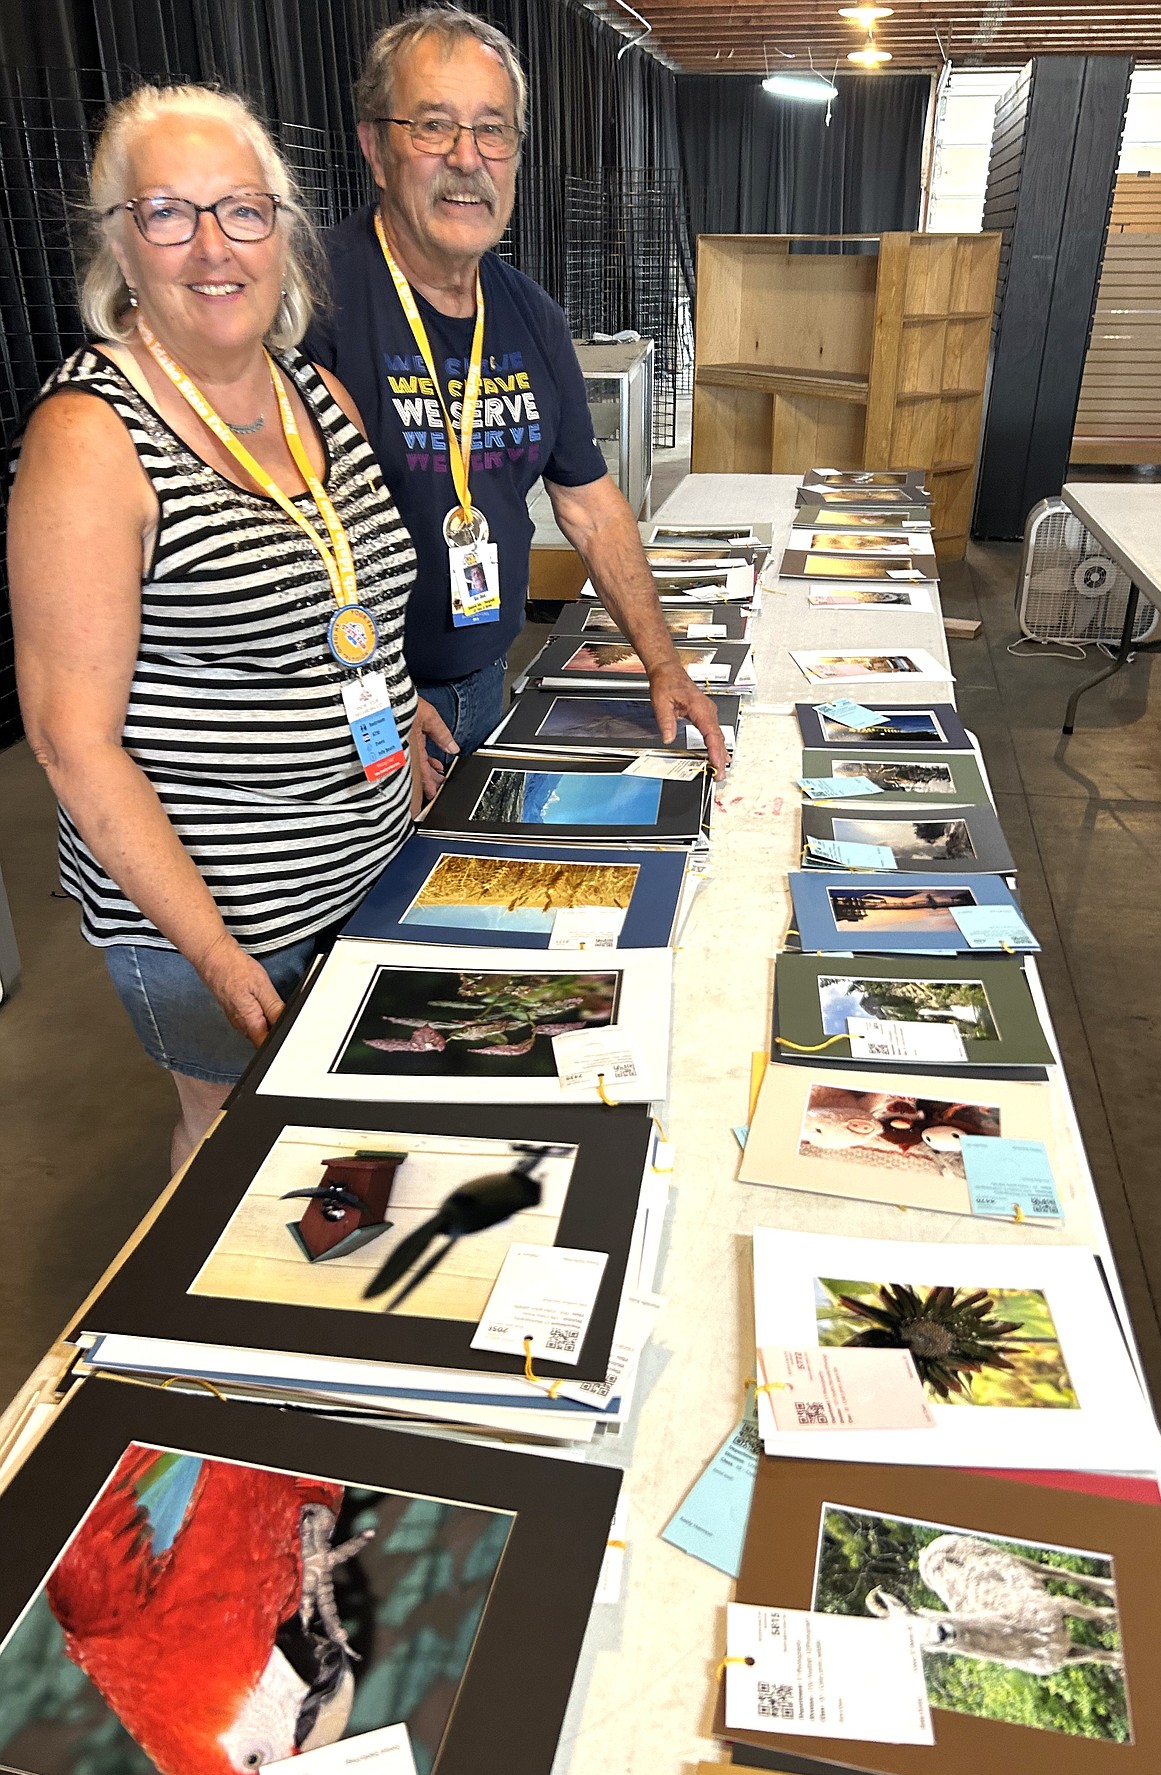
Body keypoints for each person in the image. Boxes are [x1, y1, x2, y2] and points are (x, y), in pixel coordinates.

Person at [9, 85, 420, 1169]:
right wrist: (218, 956)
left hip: (362, 868)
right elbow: (68, 739)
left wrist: (397, 698)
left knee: (351, 1146)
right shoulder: (90, 435)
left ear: (283, 233)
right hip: (221, 920)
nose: (210, 247)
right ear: (119, 246)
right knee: (237, 1156)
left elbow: (350, 594)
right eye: (167, 213)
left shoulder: (312, 392)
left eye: (241, 209)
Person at [304, 7, 727, 798]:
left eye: (492, 131)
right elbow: (285, 560)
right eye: (433, 126)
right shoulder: (311, 300)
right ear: (375, 147)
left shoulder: (531, 314)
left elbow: (593, 508)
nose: (468, 159)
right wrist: (385, 700)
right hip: (356, 708)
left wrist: (662, 661)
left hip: (485, 677)